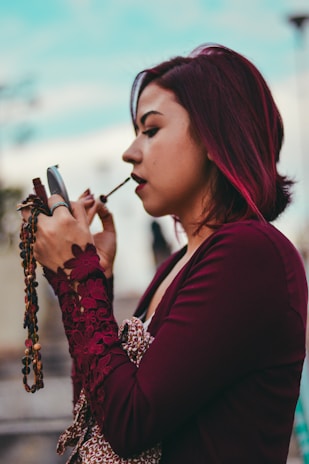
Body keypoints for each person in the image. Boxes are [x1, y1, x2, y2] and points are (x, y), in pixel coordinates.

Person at [21, 44, 308, 463]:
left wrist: (76, 276)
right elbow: (98, 425)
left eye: (151, 130)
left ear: (216, 138)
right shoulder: (177, 265)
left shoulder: (251, 254)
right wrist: (94, 279)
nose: (129, 151)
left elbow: (130, 425)